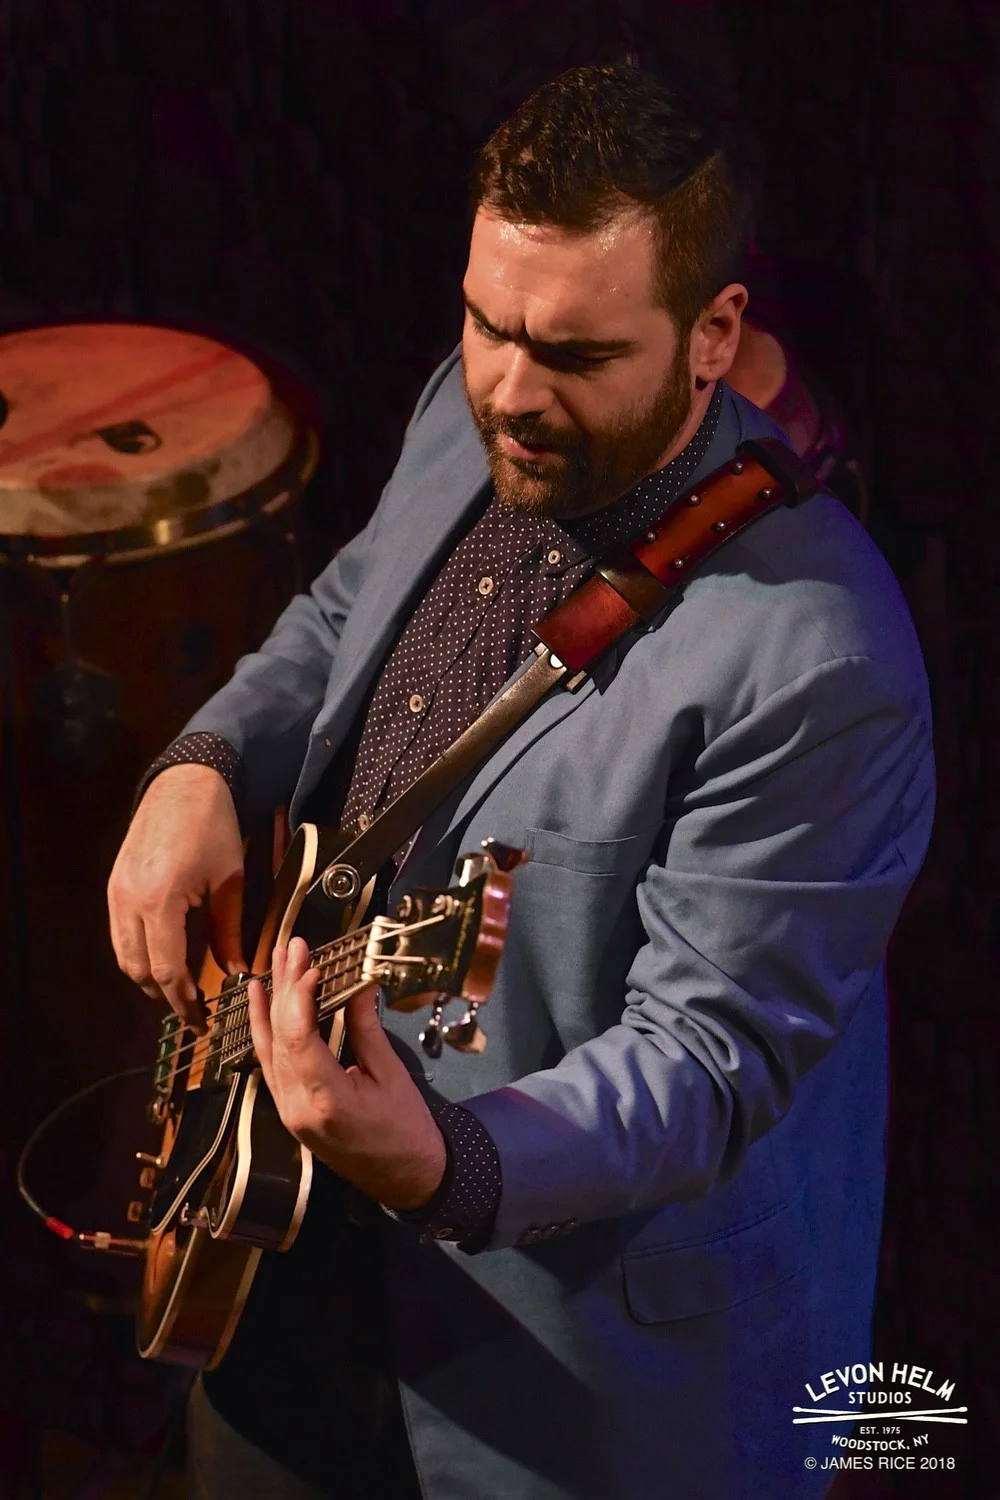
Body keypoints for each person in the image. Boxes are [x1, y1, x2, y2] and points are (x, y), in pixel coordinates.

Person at [108, 65, 935, 1500]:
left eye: (574, 353)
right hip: (286, 1247)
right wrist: (206, 761)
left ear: (714, 334)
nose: (509, 389)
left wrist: (444, 1163)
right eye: (488, 323)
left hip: (572, 1373)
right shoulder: (471, 403)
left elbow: (706, 1061)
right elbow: (350, 608)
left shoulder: (823, 658)